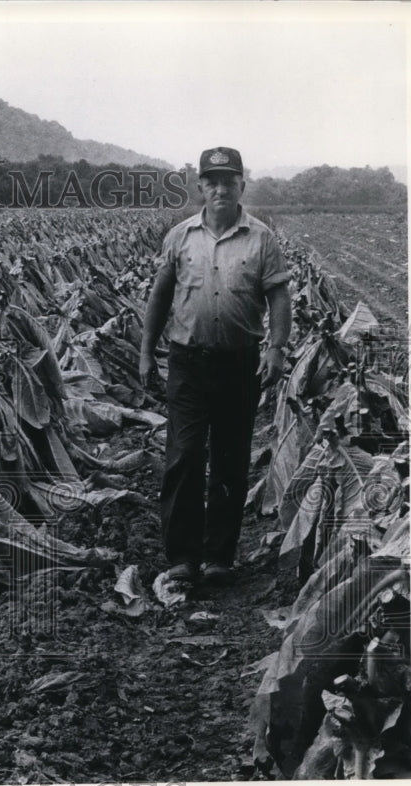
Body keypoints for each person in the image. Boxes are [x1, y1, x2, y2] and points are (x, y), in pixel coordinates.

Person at [139, 147, 292, 584]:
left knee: (229, 458)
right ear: (200, 187)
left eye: (229, 180)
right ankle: (182, 557)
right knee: (185, 455)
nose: (221, 188)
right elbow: (159, 296)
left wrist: (277, 349)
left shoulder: (262, 238)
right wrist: (147, 352)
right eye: (212, 181)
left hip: (238, 362)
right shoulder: (180, 237)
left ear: (243, 184)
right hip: (188, 361)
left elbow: (279, 297)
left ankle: (219, 556)